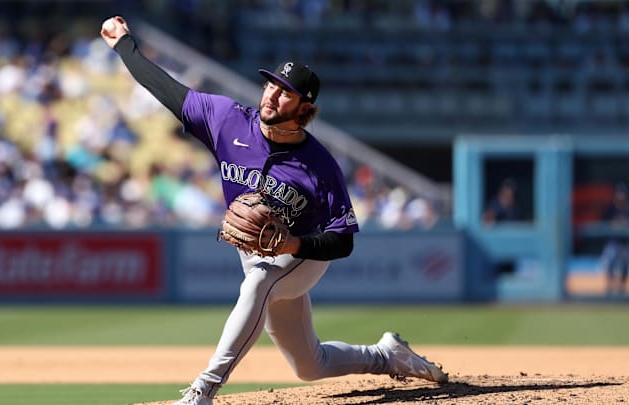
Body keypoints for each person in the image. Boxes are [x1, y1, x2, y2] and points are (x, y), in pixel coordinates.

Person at [100, 16, 448, 405]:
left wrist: (295, 244)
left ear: (304, 108)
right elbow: (165, 88)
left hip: (302, 256)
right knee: (309, 365)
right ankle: (387, 355)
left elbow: (343, 241)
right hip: (257, 255)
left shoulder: (319, 165)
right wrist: (124, 45)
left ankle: (204, 389)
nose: (270, 95)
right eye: (270, 84)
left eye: (284, 92)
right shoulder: (226, 119)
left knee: (258, 283)